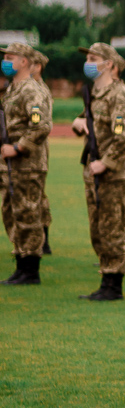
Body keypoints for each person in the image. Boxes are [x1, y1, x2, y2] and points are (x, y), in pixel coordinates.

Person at [72, 43, 125, 301]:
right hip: (93, 169)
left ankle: (113, 283)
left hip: (110, 172)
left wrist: (106, 163)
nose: (88, 62)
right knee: (97, 228)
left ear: (109, 64)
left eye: (94, 58)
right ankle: (106, 278)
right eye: (88, 58)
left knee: (111, 227)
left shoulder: (118, 94)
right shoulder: (96, 94)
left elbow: (124, 135)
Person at [0, 43, 52, 285]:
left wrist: (19, 147)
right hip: (12, 165)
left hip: (27, 163)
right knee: (13, 213)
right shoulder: (13, 89)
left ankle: (30, 270)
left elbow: (40, 125)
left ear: (24, 62)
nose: (5, 61)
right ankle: (21, 264)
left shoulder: (31, 91)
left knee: (28, 213)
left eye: (10, 57)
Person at [30, 52, 52, 256]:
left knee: (36, 198)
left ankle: (41, 240)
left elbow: (41, 124)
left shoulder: (39, 90)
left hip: (35, 153)